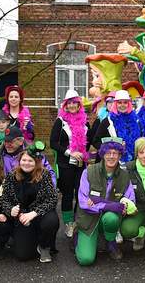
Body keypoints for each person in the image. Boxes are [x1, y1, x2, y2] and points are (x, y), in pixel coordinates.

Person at [75, 137, 137, 266]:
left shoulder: (125, 175)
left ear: (120, 155)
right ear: (102, 154)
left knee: (111, 218)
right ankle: (79, 237)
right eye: (108, 153)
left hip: (108, 219)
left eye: (115, 153)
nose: (111, 156)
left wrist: (125, 206)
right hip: (88, 219)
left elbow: (130, 200)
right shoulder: (89, 172)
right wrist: (109, 206)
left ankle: (110, 241)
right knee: (86, 260)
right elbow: (83, 202)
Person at [0, 146, 59, 262]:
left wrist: (34, 213)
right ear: (19, 161)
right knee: (23, 255)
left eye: (30, 161)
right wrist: (10, 209)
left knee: (52, 220)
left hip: (40, 215)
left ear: (36, 162)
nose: (26, 163)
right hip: (22, 218)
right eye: (24, 160)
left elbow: (52, 198)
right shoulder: (11, 176)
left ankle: (44, 245)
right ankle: (27, 239)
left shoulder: (44, 174)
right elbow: (4, 199)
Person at [50, 89, 89, 238]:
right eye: (69, 103)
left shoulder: (85, 121)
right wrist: (69, 152)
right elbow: (53, 143)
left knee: (81, 194)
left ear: (79, 105)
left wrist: (84, 155)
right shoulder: (60, 122)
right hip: (65, 165)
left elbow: (89, 140)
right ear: (65, 105)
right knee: (67, 195)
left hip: (81, 165)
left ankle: (78, 221)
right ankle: (68, 223)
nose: (72, 105)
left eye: (75, 103)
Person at [92, 90, 141, 164]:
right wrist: (113, 146)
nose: (122, 105)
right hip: (112, 163)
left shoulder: (135, 121)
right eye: (119, 102)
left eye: (125, 102)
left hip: (131, 163)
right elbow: (96, 141)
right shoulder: (108, 121)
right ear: (115, 104)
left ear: (129, 104)